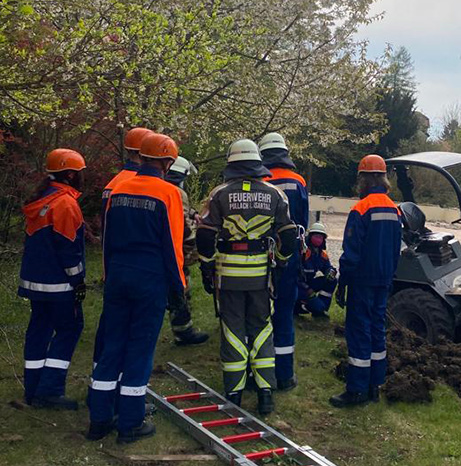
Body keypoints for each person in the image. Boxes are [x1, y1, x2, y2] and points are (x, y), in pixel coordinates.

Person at [87, 133, 185, 443]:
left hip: (117, 276)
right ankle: (130, 422)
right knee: (140, 349)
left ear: (141, 156)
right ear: (167, 162)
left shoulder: (118, 188)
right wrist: (178, 288)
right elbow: (173, 246)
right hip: (149, 279)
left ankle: (99, 419)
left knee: (112, 346)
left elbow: (108, 241)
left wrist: (107, 275)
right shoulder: (168, 193)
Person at [196, 139, 297, 415]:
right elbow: (289, 235)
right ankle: (266, 392)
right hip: (261, 277)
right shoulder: (276, 194)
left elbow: (205, 236)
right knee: (263, 328)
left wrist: (207, 267)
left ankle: (234, 393)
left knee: (232, 330)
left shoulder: (219, 194)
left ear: (231, 164)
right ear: (256, 163)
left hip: (228, 276)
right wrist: (282, 263)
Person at [330, 154, 401, 408]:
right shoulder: (394, 209)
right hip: (383, 281)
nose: (359, 182)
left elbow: (351, 253)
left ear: (368, 179)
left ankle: (356, 390)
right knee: (376, 332)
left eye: (361, 177)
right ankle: (374, 386)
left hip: (362, 281)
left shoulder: (361, 209)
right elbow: (395, 251)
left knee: (359, 332)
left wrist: (343, 284)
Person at [19, 148, 87, 410]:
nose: (83, 177)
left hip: (35, 283)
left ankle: (33, 386)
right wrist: (78, 280)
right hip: (59, 286)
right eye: (80, 173)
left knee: (39, 330)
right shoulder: (66, 204)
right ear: (70, 174)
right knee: (69, 328)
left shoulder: (43, 199)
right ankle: (50, 390)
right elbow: (69, 250)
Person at [93, 127, 154, 368]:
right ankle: (125, 387)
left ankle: (100, 378)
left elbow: (107, 231)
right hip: (140, 268)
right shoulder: (140, 184)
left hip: (115, 266)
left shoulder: (114, 182)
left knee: (110, 326)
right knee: (132, 331)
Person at [259, 132, 309, 391]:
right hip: (288, 257)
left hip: (257, 257)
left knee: (256, 315)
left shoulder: (257, 179)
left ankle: (255, 371)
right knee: (284, 313)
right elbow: (302, 225)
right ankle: (284, 374)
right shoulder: (297, 181)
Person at [164, 156, 209, 345]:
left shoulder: (162, 188)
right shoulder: (177, 192)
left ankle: (182, 329)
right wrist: (196, 246)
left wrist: (193, 214)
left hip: (160, 250)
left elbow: (181, 212)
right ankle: (183, 331)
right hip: (175, 251)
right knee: (180, 290)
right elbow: (183, 226)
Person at [296, 222, 337, 319]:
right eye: (316, 236)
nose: (318, 239)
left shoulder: (321, 254)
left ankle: (320, 311)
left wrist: (330, 272)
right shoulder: (302, 251)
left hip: (309, 283)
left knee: (332, 281)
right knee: (315, 305)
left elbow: (327, 267)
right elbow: (294, 275)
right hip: (298, 286)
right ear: (310, 237)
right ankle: (297, 308)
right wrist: (308, 290)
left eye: (321, 237)